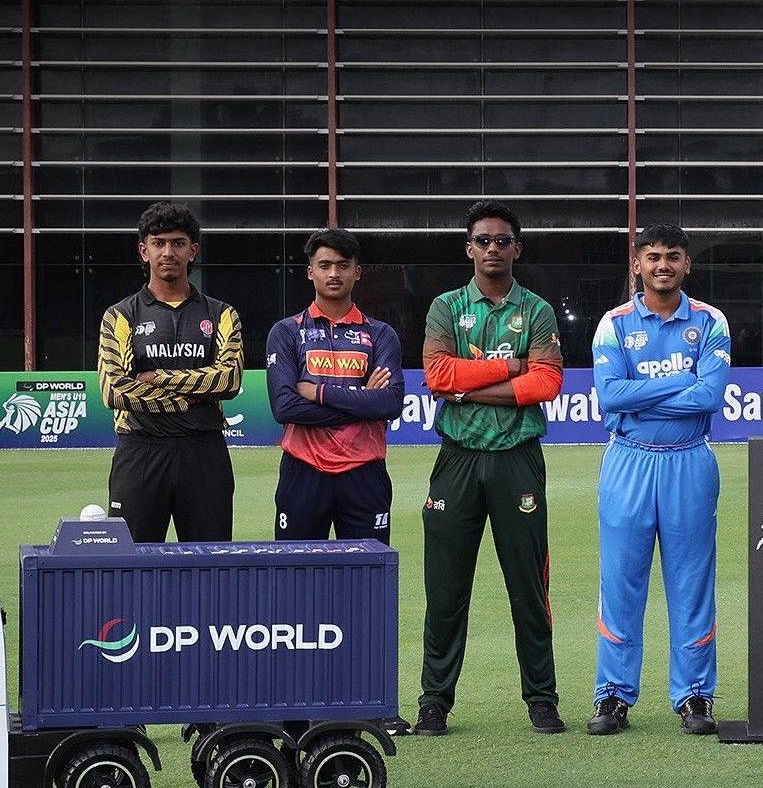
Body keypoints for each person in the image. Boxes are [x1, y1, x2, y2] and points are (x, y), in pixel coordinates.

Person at [415, 200, 566, 737]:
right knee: (446, 589)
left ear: (517, 248)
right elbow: (438, 375)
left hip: (517, 459)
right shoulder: (446, 307)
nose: (492, 249)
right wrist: (511, 367)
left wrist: (468, 387)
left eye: (502, 240)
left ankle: (542, 699)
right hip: (457, 457)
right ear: (469, 248)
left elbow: (547, 383)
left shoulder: (537, 310)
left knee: (528, 587)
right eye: (483, 240)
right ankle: (434, 700)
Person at [586, 225, 731, 736]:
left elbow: (709, 396)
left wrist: (642, 392)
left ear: (687, 263)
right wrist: (681, 380)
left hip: (689, 461)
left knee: (692, 583)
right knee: (621, 581)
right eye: (652, 256)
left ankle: (694, 695)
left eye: (672, 256)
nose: (662, 265)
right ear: (638, 264)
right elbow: (610, 395)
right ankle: (612, 695)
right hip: (628, 461)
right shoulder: (614, 323)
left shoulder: (710, 320)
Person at [97, 201, 242, 542]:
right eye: (158, 243)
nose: (168, 252)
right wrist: (188, 399)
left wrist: (159, 378)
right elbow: (114, 390)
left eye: (178, 243)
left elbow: (228, 379)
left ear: (193, 250)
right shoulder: (120, 315)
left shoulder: (222, 314)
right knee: (133, 564)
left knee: (209, 564)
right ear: (143, 251)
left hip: (204, 452)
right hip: (140, 451)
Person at [265, 228, 404, 546]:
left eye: (343, 265)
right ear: (310, 272)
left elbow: (390, 403)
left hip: (364, 471)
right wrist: (363, 401)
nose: (333, 273)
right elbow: (285, 407)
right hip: (303, 469)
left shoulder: (381, 334)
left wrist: (320, 393)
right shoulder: (286, 331)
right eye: (324, 265)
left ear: (357, 272)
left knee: (367, 572)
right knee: (297, 570)